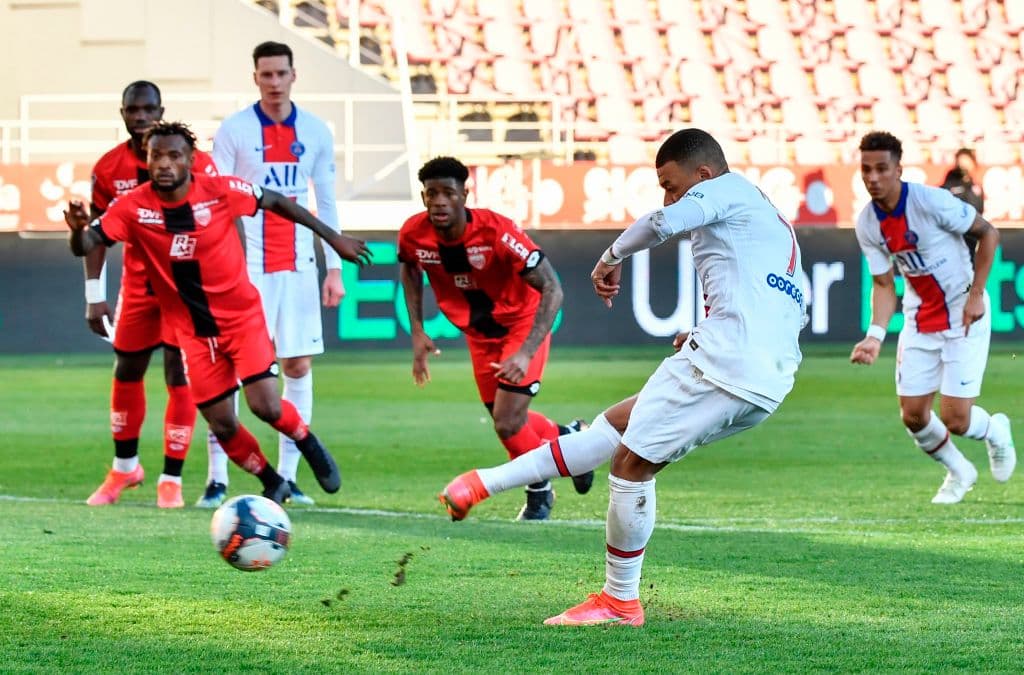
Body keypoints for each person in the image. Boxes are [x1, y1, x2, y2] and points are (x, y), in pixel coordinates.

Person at [439, 129, 806, 625]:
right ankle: (481, 484)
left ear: (703, 174)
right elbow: (789, 306)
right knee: (613, 429)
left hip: (729, 362)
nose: (668, 196)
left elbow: (661, 223)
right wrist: (704, 330)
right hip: (766, 376)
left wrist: (610, 257)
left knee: (631, 464)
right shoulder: (766, 219)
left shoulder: (722, 189)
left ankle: (619, 601)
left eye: (672, 184)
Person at [65, 121, 373, 505]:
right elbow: (87, 244)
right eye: (156, 155)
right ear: (146, 159)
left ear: (191, 160)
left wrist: (332, 238)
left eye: (174, 155)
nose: (164, 163)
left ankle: (305, 439)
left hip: (241, 319)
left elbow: (276, 201)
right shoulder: (133, 207)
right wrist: (78, 230)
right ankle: (270, 480)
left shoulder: (219, 191)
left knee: (266, 406)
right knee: (223, 423)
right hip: (193, 333)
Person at [398, 156, 592, 521]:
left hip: (520, 324)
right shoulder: (413, 234)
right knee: (507, 419)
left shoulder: (497, 232)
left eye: (448, 193)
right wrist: (418, 329)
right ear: (423, 197)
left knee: (506, 422)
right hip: (479, 335)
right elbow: (409, 266)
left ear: (464, 195)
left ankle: (539, 494)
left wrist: (525, 352)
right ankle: (573, 441)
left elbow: (552, 288)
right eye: (431, 193)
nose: (439, 201)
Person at [200, 41, 345, 508]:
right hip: (244, 272)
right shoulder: (235, 130)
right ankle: (218, 477)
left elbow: (326, 201)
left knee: (297, 366)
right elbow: (214, 199)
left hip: (300, 268)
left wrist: (334, 268)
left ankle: (288, 476)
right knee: (233, 373)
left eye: (281, 73)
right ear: (256, 77)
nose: (275, 82)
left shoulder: (317, 131)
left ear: (293, 75)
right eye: (266, 75)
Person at [850, 131, 1015, 504]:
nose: (873, 178)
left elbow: (988, 234)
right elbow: (883, 283)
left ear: (898, 169)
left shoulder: (931, 202)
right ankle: (959, 472)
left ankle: (996, 430)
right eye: (866, 170)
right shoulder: (867, 223)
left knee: (956, 419)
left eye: (881, 169)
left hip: (964, 315)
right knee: (913, 416)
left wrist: (976, 295)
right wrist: (875, 335)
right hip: (919, 321)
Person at [81, 81, 218, 509]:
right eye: (132, 110)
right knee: (127, 369)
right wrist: (93, 294)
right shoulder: (108, 170)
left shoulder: (198, 164)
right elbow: (97, 235)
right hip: (138, 287)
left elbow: (219, 225)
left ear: (161, 110)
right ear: (121, 113)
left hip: (185, 288)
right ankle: (125, 468)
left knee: (179, 374)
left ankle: (170, 480)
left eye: (147, 109)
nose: (139, 117)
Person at [941, 147, 985, 215]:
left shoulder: (976, 187)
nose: (964, 166)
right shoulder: (949, 184)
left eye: (967, 162)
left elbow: (979, 210)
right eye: (961, 162)